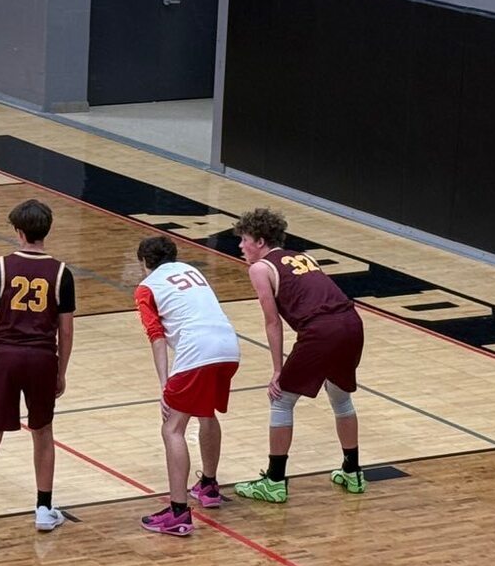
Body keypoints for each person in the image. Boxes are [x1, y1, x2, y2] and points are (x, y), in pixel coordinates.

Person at [0, 200, 75, 546]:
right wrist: (61, 371)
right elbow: (66, 331)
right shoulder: (61, 272)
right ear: (45, 231)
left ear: (19, 232)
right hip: (42, 358)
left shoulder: (1, 267)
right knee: (43, 432)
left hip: (5, 357)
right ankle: (43, 510)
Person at [232, 208, 367, 503]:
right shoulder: (304, 257)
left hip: (323, 329)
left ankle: (274, 481)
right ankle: (353, 471)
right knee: (340, 397)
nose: (241, 246)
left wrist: (277, 370)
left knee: (281, 399)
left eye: (244, 240)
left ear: (260, 241)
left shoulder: (260, 269)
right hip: (352, 322)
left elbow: (272, 322)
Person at [133, 237, 240, 536]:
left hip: (198, 351)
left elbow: (156, 336)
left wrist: (164, 385)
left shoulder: (147, 287)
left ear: (144, 262)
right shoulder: (193, 272)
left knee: (172, 428)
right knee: (206, 413)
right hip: (229, 346)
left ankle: (178, 512)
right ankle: (209, 486)